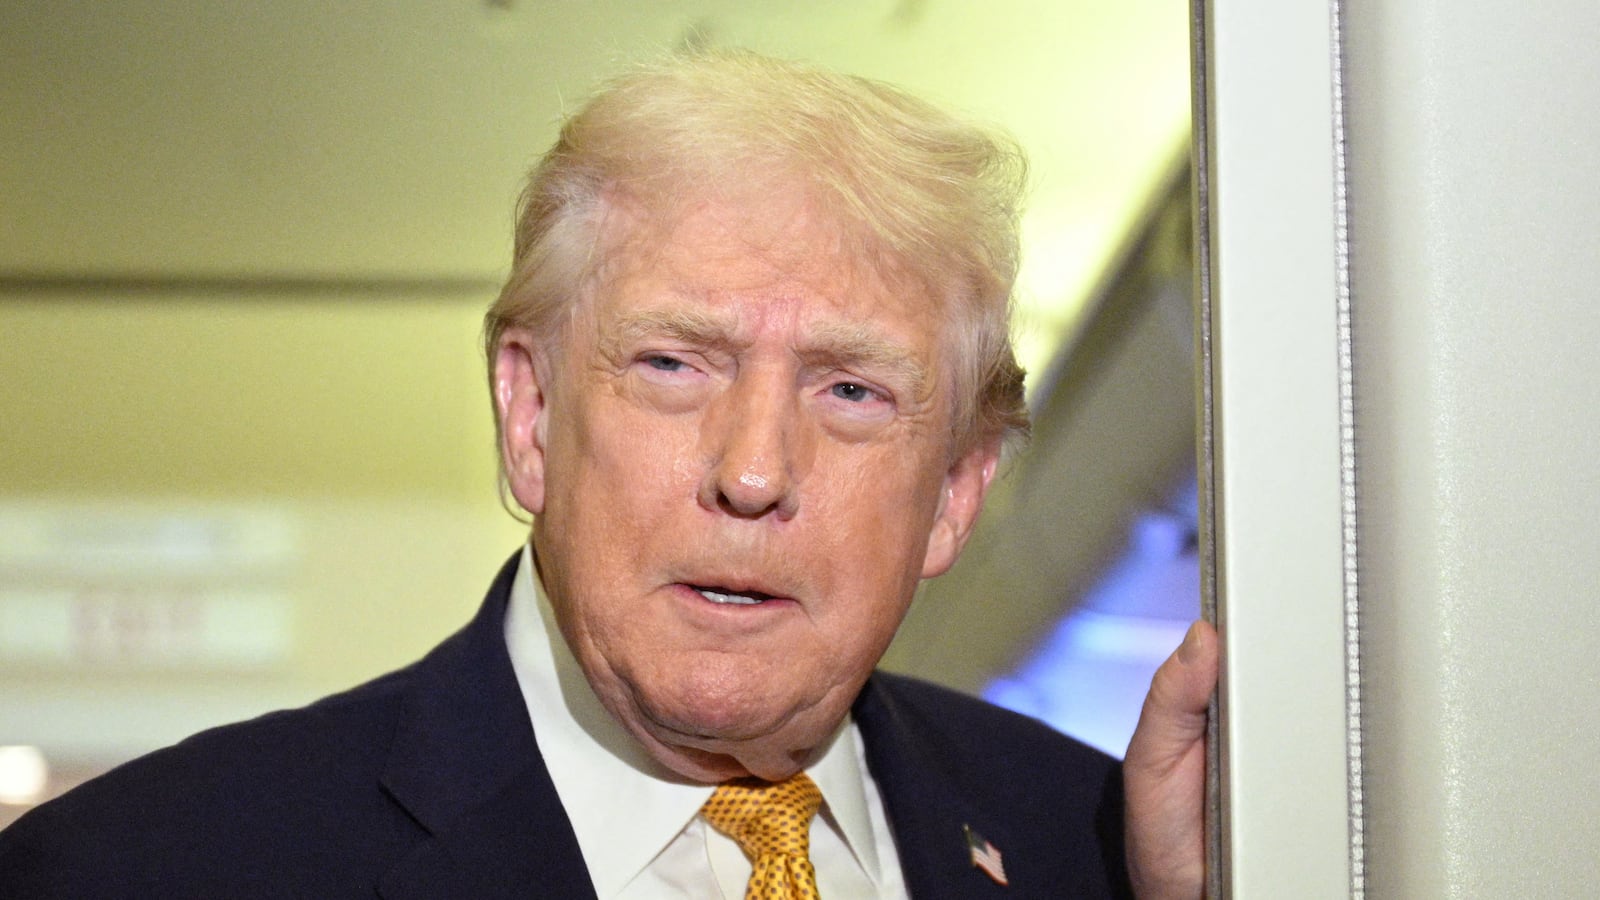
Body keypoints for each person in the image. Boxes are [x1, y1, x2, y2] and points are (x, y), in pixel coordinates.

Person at [0, 51, 1216, 898]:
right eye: (676, 364)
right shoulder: (149, 869)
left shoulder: (1106, 852)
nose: (751, 473)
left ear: (955, 488)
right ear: (530, 415)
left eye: (850, 390)